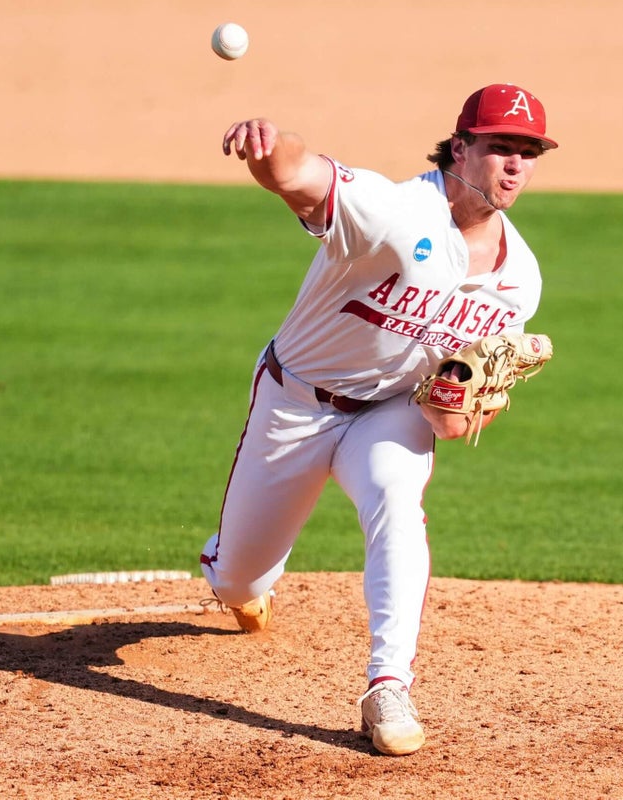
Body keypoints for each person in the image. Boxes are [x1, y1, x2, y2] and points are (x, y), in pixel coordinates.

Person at [199, 83, 557, 756]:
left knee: (398, 492)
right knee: (236, 578)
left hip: (389, 413)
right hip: (296, 403)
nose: (515, 164)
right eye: (500, 147)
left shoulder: (521, 280)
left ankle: (387, 685)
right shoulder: (396, 211)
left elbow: (452, 418)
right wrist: (268, 147)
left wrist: (462, 404)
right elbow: (302, 178)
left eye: (529, 151)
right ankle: (245, 586)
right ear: (461, 147)